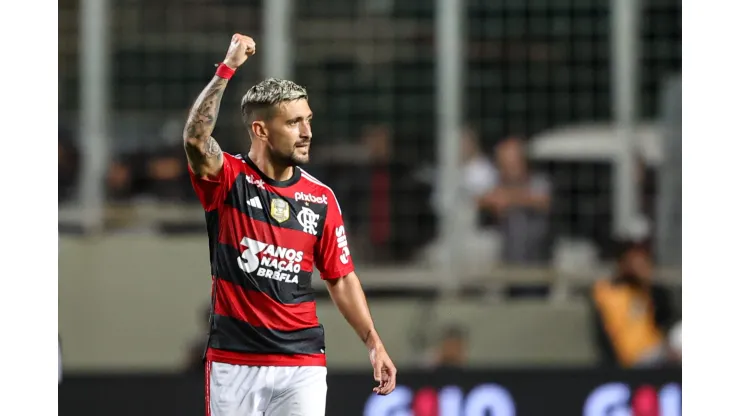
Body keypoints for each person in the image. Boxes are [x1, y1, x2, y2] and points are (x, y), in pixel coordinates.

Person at [182, 34, 397, 416]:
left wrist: (372, 340)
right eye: (294, 122)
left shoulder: (321, 198)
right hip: (234, 362)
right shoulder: (228, 178)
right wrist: (227, 68)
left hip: (302, 362)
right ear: (261, 130)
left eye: (308, 120)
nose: (307, 132)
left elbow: (342, 278)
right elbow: (196, 138)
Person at [590, 241, 677, 368]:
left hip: (657, 352)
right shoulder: (607, 291)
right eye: (635, 263)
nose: (641, 268)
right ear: (623, 263)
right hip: (632, 357)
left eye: (644, 263)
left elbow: (666, 317)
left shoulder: (649, 292)